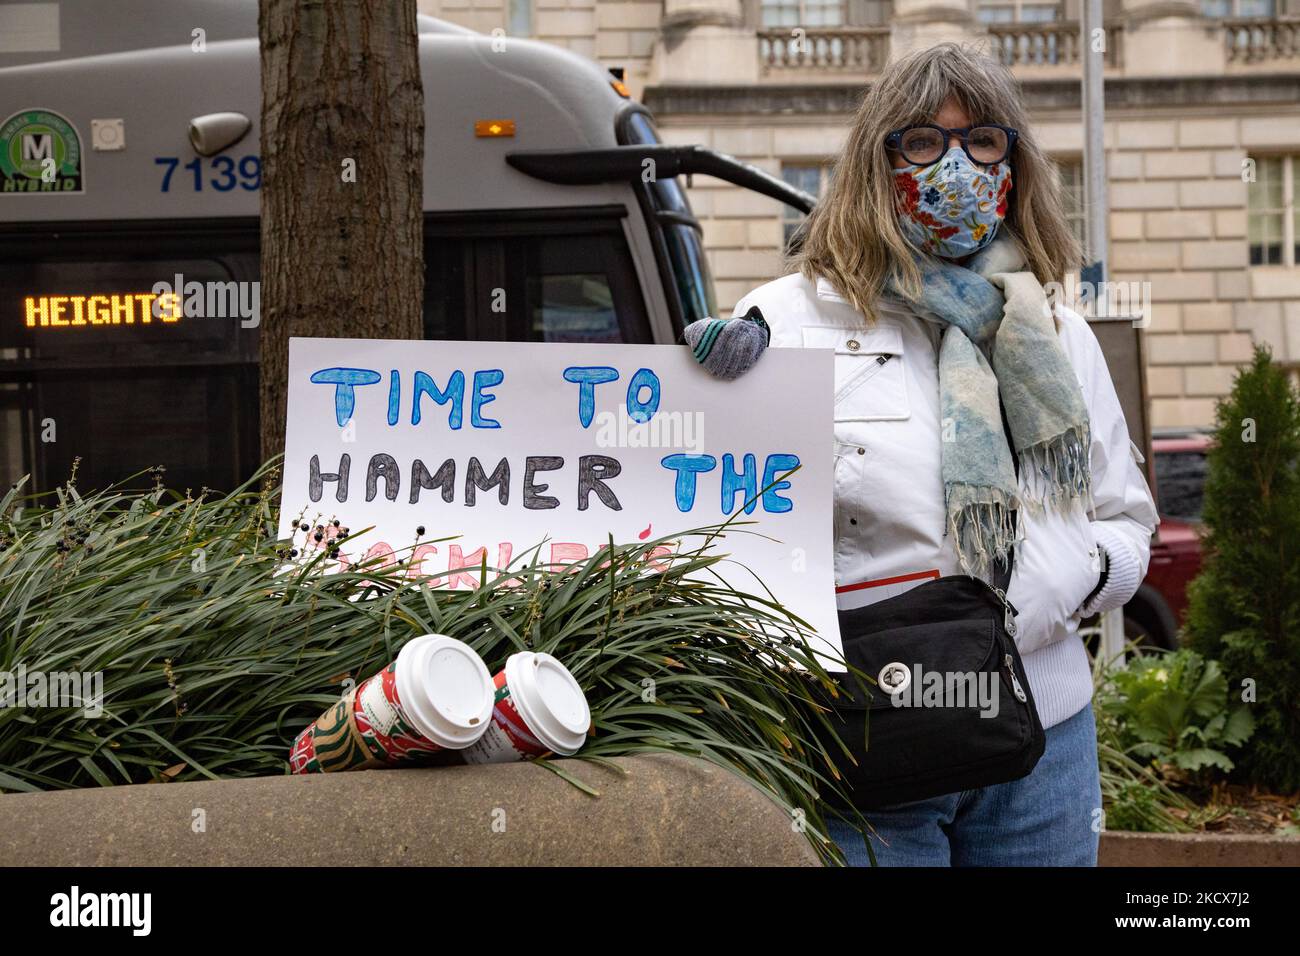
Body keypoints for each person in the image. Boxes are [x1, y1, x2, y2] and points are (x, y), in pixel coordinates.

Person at [683, 42, 1158, 866]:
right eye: (923, 143)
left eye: (982, 142)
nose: (957, 167)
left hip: (1043, 742)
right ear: (879, 160)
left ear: (1014, 164)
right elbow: (730, 523)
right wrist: (692, 395)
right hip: (868, 737)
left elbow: (1125, 520)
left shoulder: (1057, 334)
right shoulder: (790, 321)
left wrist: (1068, 577)